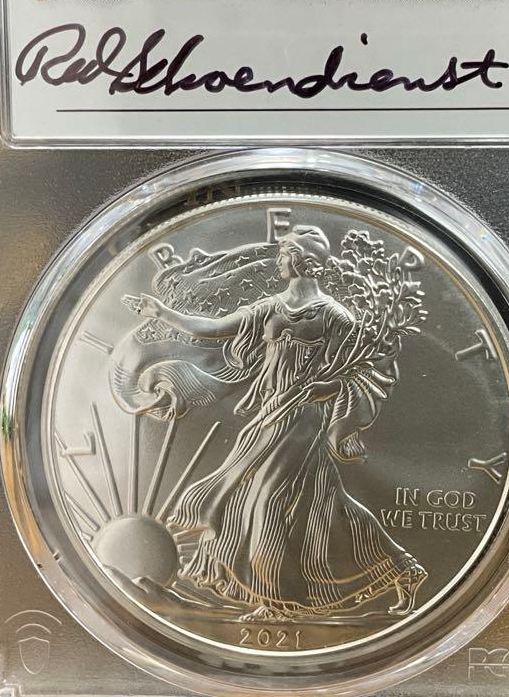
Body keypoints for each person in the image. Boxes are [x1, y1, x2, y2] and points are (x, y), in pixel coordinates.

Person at [125, 225, 427, 621]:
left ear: (302, 261)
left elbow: (359, 372)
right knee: (323, 503)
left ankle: (276, 601)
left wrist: (321, 388)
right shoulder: (270, 306)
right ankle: (402, 569)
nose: (280, 262)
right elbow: (214, 328)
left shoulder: (334, 316)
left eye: (285, 255)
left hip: (302, 418)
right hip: (271, 412)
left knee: (266, 499)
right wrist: (162, 313)